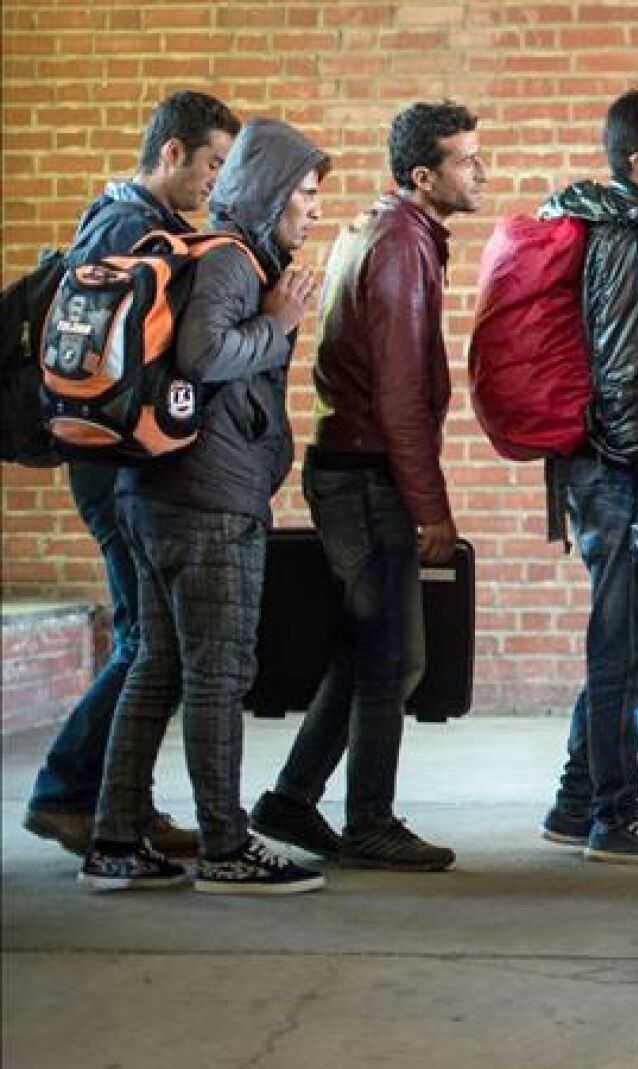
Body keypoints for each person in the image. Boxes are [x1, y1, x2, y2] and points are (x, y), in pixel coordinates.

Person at [80, 117, 331, 895]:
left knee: (158, 665)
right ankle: (227, 846)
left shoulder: (221, 253)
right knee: (219, 671)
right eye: (307, 194)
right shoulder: (228, 257)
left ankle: (114, 844)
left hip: (161, 492)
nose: (315, 209)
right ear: (269, 192)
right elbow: (206, 354)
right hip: (207, 501)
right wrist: (279, 324)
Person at [248, 101, 486, 872]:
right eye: (465, 159)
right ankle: (369, 821)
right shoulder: (399, 245)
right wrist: (431, 506)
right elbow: (397, 396)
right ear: (423, 175)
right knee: (391, 658)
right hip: (366, 473)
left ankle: (291, 798)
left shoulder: (393, 231)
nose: (480, 171)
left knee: (370, 648)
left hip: (355, 467)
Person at [22, 90, 239, 860]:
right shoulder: (132, 228)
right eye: (211, 163)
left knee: (154, 637)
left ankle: (125, 800)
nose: (215, 180)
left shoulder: (124, 219)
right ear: (172, 153)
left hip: (108, 454)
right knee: (150, 638)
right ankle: (69, 793)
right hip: (112, 460)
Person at [534, 87, 638, 865]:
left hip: (603, 464)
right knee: (619, 645)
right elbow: (624, 373)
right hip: (615, 469)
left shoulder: (633, 233)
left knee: (625, 640)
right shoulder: (628, 240)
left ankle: (575, 803)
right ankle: (614, 814)